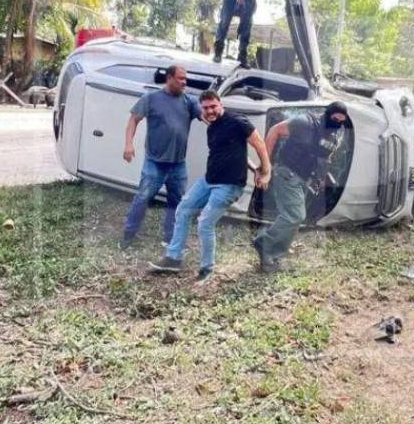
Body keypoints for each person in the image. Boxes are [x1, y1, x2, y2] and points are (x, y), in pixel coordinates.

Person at [149, 90, 272, 281]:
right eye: (205, 108)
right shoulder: (212, 127)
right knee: (183, 209)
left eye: (213, 106)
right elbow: (235, 151)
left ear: (220, 104)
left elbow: (259, 144)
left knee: (205, 223)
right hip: (209, 180)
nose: (210, 111)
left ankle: (207, 269)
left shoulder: (238, 122)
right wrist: (253, 167)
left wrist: (265, 171)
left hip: (229, 184)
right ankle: (173, 258)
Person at [252, 101, 350, 272]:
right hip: (287, 172)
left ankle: (275, 255)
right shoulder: (304, 122)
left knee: (293, 218)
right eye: (335, 119)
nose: (337, 123)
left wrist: (322, 176)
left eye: (341, 121)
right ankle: (264, 243)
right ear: (328, 114)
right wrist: (265, 166)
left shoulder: (335, 133)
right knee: (295, 216)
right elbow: (275, 130)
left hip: (305, 178)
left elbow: (325, 155)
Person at [120, 65, 201, 248]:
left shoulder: (189, 101)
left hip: (178, 165)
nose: (184, 82)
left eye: (185, 79)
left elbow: (205, 116)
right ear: (169, 78)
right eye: (180, 78)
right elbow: (133, 119)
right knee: (142, 198)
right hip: (154, 163)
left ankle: (169, 237)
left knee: (176, 202)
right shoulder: (151, 98)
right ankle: (128, 235)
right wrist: (128, 144)